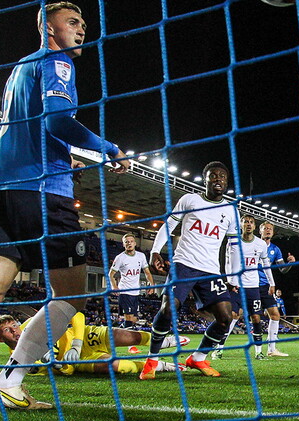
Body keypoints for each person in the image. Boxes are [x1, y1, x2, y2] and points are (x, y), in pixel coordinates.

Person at [0, 1, 131, 410]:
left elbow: (34, 129)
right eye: (72, 22)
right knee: (71, 297)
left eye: (83, 24)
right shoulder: (58, 62)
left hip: (4, 188)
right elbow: (58, 121)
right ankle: (10, 380)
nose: (81, 30)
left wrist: (62, 155)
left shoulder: (19, 69)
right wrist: (107, 148)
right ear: (47, 27)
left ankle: (8, 382)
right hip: (43, 193)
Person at [139, 162, 239, 380]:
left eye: (222, 176)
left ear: (227, 182)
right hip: (183, 264)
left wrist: (233, 275)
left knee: (225, 318)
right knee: (168, 310)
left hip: (211, 271)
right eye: (213, 176)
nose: (218, 180)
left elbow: (233, 246)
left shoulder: (231, 210)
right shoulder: (189, 200)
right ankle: (152, 360)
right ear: (205, 180)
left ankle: (198, 358)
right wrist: (155, 251)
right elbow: (169, 225)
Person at [0, 313, 184, 376]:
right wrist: (55, 363)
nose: (15, 331)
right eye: (8, 331)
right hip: (79, 360)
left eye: (14, 326)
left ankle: (163, 341)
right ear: (1, 339)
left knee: (128, 336)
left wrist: (76, 343)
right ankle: (158, 366)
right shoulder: (19, 360)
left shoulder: (30, 325)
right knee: (114, 366)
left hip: (82, 336)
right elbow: (64, 372)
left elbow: (76, 314)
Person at [224, 214, 272, 360]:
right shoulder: (233, 241)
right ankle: (219, 348)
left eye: (251, 222)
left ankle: (258, 351)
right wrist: (230, 281)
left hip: (253, 286)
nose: (248, 224)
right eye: (245, 222)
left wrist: (272, 282)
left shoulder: (261, 244)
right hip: (236, 286)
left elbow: (266, 265)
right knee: (231, 316)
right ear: (241, 225)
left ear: (255, 226)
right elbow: (227, 263)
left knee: (256, 318)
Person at [259, 221, 294, 357]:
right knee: (235, 314)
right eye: (265, 228)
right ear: (260, 231)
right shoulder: (254, 244)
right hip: (249, 284)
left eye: (270, 229)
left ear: (273, 233)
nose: (268, 230)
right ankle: (219, 348)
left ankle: (271, 349)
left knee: (275, 315)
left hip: (265, 286)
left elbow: (282, 269)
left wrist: (291, 263)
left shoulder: (275, 249)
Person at [109, 233, 156, 329]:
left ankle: (119, 330)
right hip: (125, 291)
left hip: (136, 292)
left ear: (135, 243)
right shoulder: (120, 258)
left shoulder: (141, 256)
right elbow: (111, 274)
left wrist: (152, 285)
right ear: (123, 244)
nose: (129, 244)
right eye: (126, 242)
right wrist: (114, 286)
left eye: (131, 241)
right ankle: (126, 340)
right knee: (129, 319)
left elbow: (147, 272)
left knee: (134, 319)